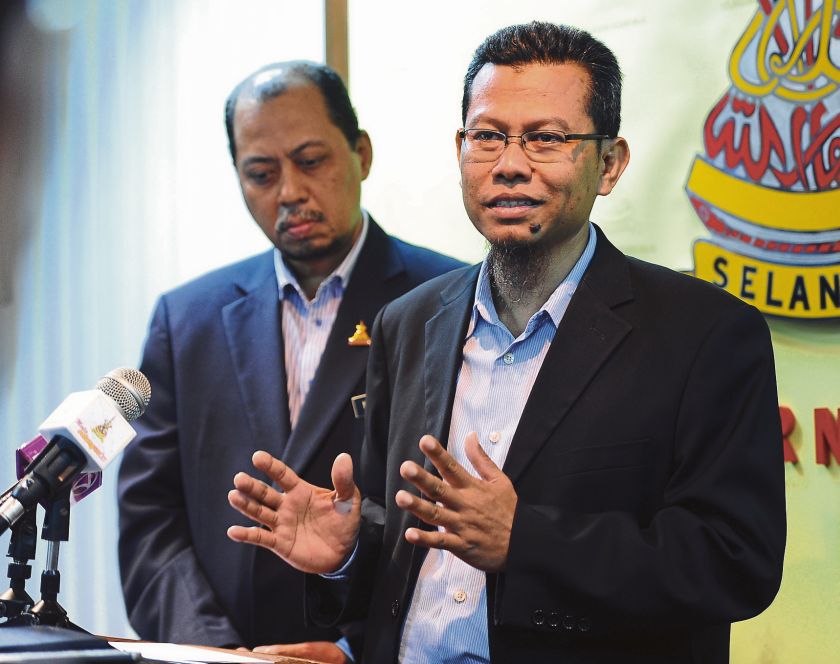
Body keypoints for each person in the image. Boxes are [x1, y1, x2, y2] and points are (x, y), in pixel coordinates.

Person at [227, 23, 786, 663]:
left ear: (609, 164)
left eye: (547, 138)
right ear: (460, 149)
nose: (510, 164)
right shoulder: (408, 323)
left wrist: (527, 541)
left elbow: (735, 562)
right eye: (487, 136)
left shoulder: (704, 333)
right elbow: (411, 557)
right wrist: (352, 551)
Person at [117, 61, 464, 663]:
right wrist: (217, 653)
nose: (290, 192)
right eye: (261, 173)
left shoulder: (447, 300)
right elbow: (151, 518)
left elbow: (460, 522)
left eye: (311, 161)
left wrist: (357, 650)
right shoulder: (187, 318)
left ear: (361, 154)